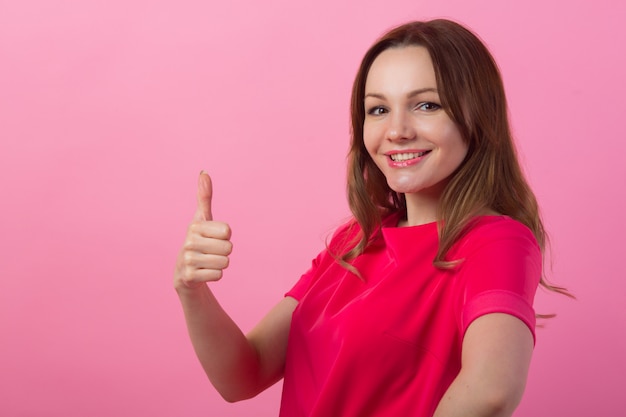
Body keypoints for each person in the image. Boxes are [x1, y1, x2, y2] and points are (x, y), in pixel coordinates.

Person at [174, 19, 568, 417]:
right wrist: (192, 291)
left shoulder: (497, 242)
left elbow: (490, 390)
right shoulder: (354, 241)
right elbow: (244, 373)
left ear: (477, 114)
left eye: (427, 105)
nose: (396, 131)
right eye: (378, 109)